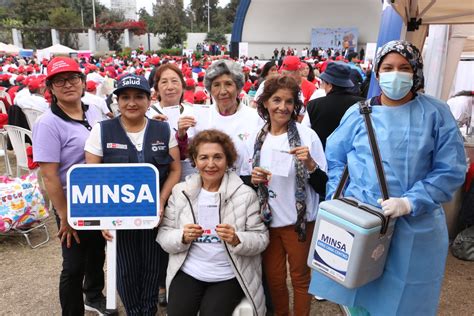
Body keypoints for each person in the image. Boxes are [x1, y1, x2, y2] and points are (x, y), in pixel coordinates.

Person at [309, 40, 467, 316]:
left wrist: (411, 201)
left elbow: (450, 169)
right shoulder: (358, 114)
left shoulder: (435, 113)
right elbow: (335, 159)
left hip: (415, 229)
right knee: (359, 297)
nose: (396, 74)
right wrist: (341, 202)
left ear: (416, 72)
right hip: (363, 225)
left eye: (404, 67)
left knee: (405, 301)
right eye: (388, 67)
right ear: (378, 73)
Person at [84, 74, 181, 315]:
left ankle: (147, 311)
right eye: (125, 97)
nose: (132, 102)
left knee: (152, 267)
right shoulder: (102, 130)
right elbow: (92, 175)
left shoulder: (162, 128)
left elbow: (175, 169)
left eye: (139, 96)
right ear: (117, 101)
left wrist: (161, 200)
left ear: (150, 99)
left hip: (153, 215)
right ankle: (134, 311)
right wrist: (102, 218)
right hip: (119, 218)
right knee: (124, 270)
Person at [32, 57, 115, 315]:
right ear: (51, 88)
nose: (67, 84)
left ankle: (93, 295)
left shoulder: (94, 110)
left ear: (82, 82)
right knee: (73, 264)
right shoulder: (47, 124)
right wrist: (64, 214)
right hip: (72, 202)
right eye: (59, 80)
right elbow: (50, 176)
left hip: (100, 196)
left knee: (97, 252)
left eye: (72, 78)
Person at [157, 129, 269, 316]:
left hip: (228, 274)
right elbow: (164, 235)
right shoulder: (180, 192)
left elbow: (261, 239)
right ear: (194, 159)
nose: (210, 164)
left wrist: (237, 239)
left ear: (228, 160)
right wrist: (182, 237)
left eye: (218, 157)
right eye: (203, 157)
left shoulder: (245, 194)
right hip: (188, 271)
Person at [247, 76, 327, 316]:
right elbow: (246, 179)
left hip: (299, 223)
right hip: (268, 222)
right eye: (277, 100)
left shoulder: (307, 136)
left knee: (301, 278)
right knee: (274, 279)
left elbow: (324, 185)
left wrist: (310, 163)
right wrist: (253, 180)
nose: (283, 107)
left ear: (295, 106)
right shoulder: (256, 137)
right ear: (265, 104)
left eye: (289, 101)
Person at [176, 59, 262, 181]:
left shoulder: (255, 118)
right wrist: (181, 135)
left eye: (228, 84)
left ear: (238, 88)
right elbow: (185, 154)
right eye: (216, 85)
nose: (222, 91)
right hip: (207, 184)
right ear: (210, 90)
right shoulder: (199, 116)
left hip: (244, 186)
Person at [302, 62, 365, 149]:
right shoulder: (362, 104)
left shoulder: (314, 105)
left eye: (324, 83)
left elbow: (304, 132)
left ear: (330, 85)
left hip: (320, 157)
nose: (323, 86)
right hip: (352, 158)